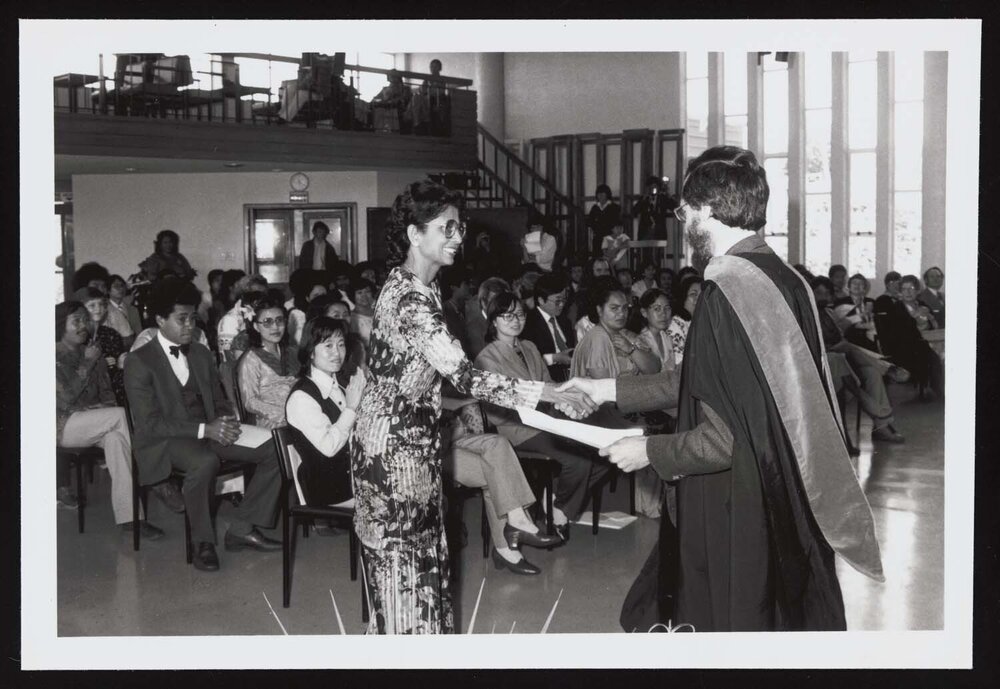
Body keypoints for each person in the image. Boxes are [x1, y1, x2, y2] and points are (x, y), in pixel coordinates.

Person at [562, 145, 882, 632]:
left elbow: (723, 438)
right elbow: (698, 381)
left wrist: (648, 449)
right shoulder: (782, 279)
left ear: (707, 211)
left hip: (737, 499)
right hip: (783, 486)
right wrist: (605, 388)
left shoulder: (723, 295)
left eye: (685, 210)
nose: (682, 220)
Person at [349, 180, 595, 634]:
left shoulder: (421, 289)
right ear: (413, 234)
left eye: (459, 227)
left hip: (412, 443)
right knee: (405, 581)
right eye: (447, 228)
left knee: (421, 572)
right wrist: (547, 392)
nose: (458, 236)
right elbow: (464, 375)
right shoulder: (408, 299)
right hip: (393, 453)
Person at [124, 279, 283, 573]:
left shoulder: (198, 352)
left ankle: (241, 528)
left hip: (209, 429)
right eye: (181, 319)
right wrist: (205, 430)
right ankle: (203, 542)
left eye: (192, 318)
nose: (189, 325)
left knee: (276, 449)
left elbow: (219, 399)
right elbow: (149, 423)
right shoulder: (139, 361)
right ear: (160, 320)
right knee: (205, 462)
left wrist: (226, 420)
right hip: (166, 440)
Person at [475, 291, 609, 543]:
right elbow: (495, 408)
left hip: (548, 421)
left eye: (519, 314)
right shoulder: (486, 358)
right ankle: (560, 511)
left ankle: (557, 500)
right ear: (493, 321)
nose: (515, 321)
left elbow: (548, 385)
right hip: (517, 427)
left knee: (603, 453)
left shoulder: (530, 347)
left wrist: (567, 405)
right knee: (578, 461)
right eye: (506, 316)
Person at [56, 301, 163, 538]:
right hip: (62, 426)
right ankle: (155, 477)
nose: (83, 325)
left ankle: (130, 518)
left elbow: (107, 394)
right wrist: (88, 362)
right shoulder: (52, 355)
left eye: (85, 319)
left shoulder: (92, 352)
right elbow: (65, 399)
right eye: (76, 321)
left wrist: (100, 403)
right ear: (60, 325)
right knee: (121, 416)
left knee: (117, 439)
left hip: (95, 422)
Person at [812, 277, 906, 444]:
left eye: (827, 293)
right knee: (848, 347)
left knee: (872, 374)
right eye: (819, 292)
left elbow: (840, 333)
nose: (823, 296)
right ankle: (887, 369)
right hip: (827, 360)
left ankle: (881, 426)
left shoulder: (829, 312)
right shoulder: (808, 313)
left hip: (845, 356)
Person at [285, 317, 366, 507]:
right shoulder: (302, 397)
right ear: (311, 351)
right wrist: (351, 408)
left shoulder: (342, 385)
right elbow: (329, 447)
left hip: (353, 476)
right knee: (405, 504)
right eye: (328, 346)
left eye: (341, 345)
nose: (337, 353)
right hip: (328, 488)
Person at [571, 276, 660, 379]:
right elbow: (603, 388)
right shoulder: (597, 337)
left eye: (625, 308)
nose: (622, 314)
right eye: (614, 308)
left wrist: (631, 349)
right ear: (599, 310)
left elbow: (655, 369)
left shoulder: (625, 334)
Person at [874, 275, 945, 398]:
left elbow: (935, 326)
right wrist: (916, 316)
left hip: (928, 340)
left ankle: (940, 386)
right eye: (904, 289)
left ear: (918, 291)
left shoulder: (923, 304)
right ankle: (939, 389)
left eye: (911, 288)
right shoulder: (896, 308)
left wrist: (930, 317)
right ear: (900, 292)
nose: (908, 292)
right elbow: (903, 332)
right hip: (905, 347)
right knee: (929, 353)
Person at [236, 293, 299, 429]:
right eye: (267, 322)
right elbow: (250, 402)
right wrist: (286, 415)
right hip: (274, 422)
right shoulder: (251, 360)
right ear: (256, 327)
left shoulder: (292, 352)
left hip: (300, 415)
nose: (275, 327)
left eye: (279, 320)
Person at [74, 286, 128, 407]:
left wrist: (119, 365)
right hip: (87, 394)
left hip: (113, 388)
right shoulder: (77, 336)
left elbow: (119, 366)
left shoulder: (111, 334)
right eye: (92, 305)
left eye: (101, 304)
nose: (98, 309)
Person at [520, 272, 577, 382]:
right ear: (541, 300)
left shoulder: (564, 320)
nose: (562, 305)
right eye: (557, 301)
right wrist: (555, 358)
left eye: (564, 299)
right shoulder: (528, 324)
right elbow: (528, 362)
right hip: (547, 378)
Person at [833, 273, 878, 351]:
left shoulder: (872, 302)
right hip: (850, 342)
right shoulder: (840, 302)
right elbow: (839, 325)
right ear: (849, 287)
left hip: (870, 343)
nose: (857, 286)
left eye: (861, 284)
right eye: (854, 283)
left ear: (865, 288)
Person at [666, 275, 702, 366]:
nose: (698, 299)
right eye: (693, 294)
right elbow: (679, 363)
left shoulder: (697, 322)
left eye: (702, 295)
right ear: (683, 297)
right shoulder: (675, 324)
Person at [637, 288, 676, 372]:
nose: (663, 314)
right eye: (657, 309)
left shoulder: (667, 338)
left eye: (667, 308)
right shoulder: (640, 341)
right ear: (644, 312)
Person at [286, 269, 328, 345]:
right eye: (316, 296)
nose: (321, 299)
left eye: (323, 295)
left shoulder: (328, 310)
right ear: (307, 298)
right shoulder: (298, 314)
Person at [634, 176, 678, 240]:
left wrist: (668, 195)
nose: (653, 189)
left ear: (658, 188)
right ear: (647, 188)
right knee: (645, 249)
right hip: (645, 233)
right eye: (651, 187)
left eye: (655, 186)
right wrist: (643, 200)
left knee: (659, 248)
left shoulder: (662, 198)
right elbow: (634, 211)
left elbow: (674, 207)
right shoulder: (644, 199)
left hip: (659, 233)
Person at [586, 184, 623, 257]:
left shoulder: (614, 207)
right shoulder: (595, 208)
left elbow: (615, 223)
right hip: (597, 238)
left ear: (607, 195)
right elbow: (590, 222)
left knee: (609, 260)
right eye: (599, 194)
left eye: (603, 194)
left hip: (610, 239)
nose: (600, 196)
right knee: (597, 258)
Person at [108, 274, 142, 345]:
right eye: (116, 286)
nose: (121, 289)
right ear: (108, 290)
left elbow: (139, 333)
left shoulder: (133, 309)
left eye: (122, 285)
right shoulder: (105, 310)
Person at [350, 278, 377, 348]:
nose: (364, 296)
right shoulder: (352, 318)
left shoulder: (379, 313)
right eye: (359, 292)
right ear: (353, 295)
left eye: (367, 292)